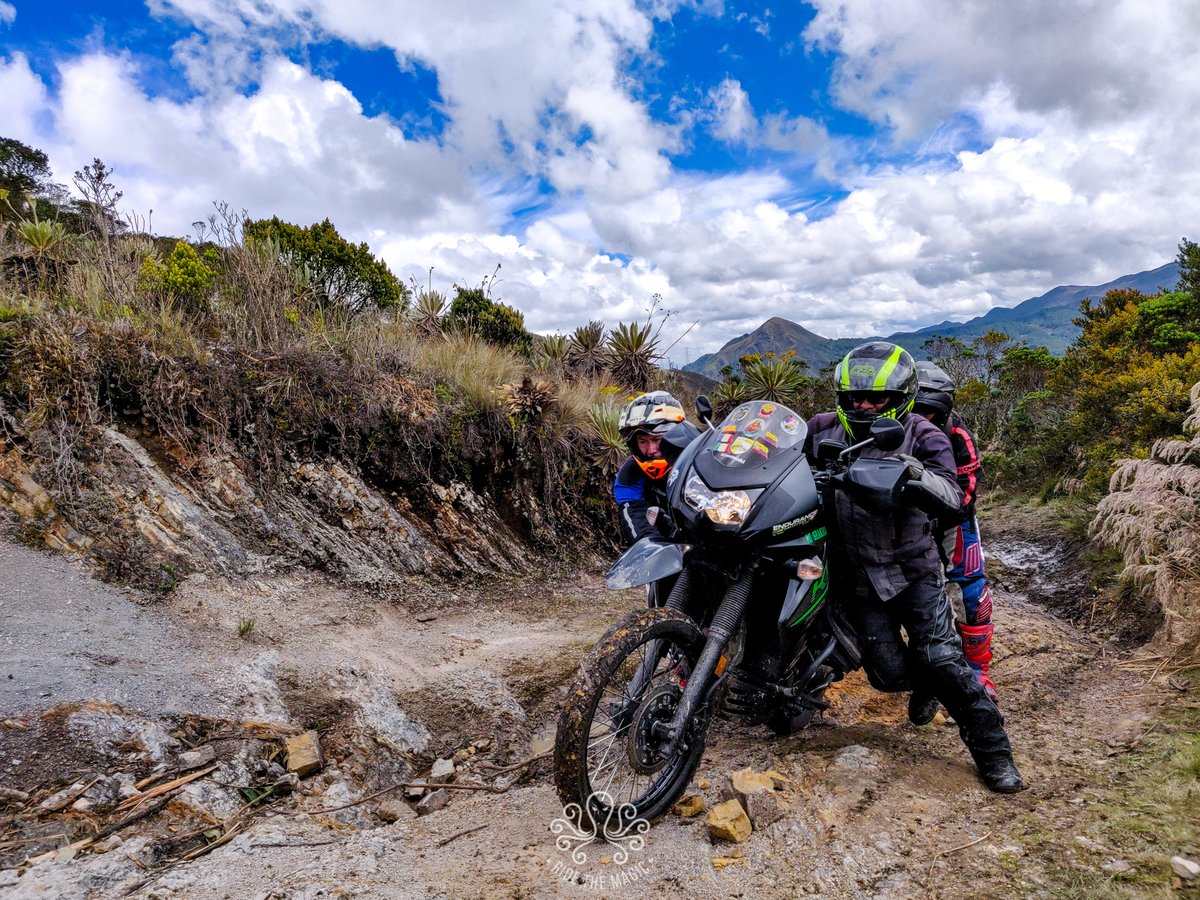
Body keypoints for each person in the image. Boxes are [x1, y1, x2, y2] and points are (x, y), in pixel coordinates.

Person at [804, 341, 1024, 793]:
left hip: (913, 570)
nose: (863, 405)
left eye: (876, 398)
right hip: (856, 576)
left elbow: (952, 494)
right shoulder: (820, 427)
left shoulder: (925, 434)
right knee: (888, 676)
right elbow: (777, 459)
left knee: (943, 660)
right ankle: (927, 682)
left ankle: (995, 755)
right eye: (854, 397)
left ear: (900, 397)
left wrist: (910, 473)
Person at [912, 361, 999, 703]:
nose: (920, 418)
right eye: (914, 409)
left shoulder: (958, 435)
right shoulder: (884, 427)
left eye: (928, 411)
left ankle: (979, 670)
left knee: (970, 589)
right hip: (899, 519)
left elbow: (966, 491)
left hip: (952, 518)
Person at [613, 391, 699, 546]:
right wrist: (650, 547)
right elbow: (633, 512)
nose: (651, 449)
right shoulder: (631, 471)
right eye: (642, 441)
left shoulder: (699, 456)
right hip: (670, 545)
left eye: (657, 439)